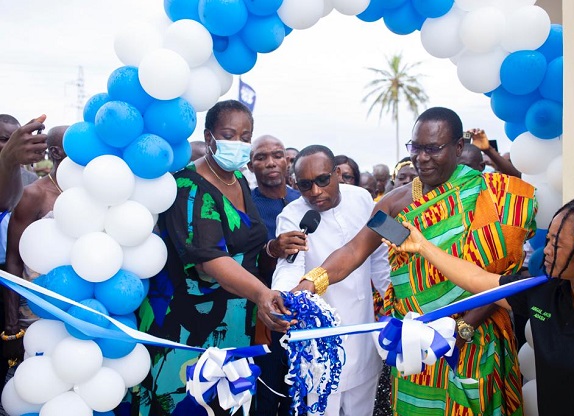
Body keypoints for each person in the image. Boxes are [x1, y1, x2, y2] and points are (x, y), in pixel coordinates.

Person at [292, 107, 537, 415]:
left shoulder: (489, 195)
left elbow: (503, 276)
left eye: (432, 149)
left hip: (472, 337)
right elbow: (355, 251)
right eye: (415, 147)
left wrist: (462, 329)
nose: (421, 158)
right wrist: (311, 282)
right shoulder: (396, 204)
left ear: (458, 147)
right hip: (413, 343)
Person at [386, 195, 574, 416]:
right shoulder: (543, 292)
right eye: (548, 240)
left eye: (557, 244)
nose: (546, 251)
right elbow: (476, 279)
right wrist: (422, 246)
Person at [132, 100, 290, 416]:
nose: (238, 144)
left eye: (246, 137)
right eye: (229, 135)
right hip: (189, 324)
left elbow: (246, 246)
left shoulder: (239, 179)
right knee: (188, 403)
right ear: (209, 137)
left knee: (228, 402)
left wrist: (272, 249)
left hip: (235, 321)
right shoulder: (188, 186)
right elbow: (209, 259)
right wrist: (261, 293)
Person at [273, 145, 390, 416]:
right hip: (320, 342)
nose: (315, 191)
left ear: (337, 173)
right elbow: (289, 266)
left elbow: (379, 255)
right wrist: (282, 296)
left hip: (362, 332)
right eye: (305, 185)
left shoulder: (362, 198)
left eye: (322, 180)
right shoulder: (292, 215)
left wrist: (393, 297)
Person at [3, 125, 67, 377]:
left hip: (80, 312)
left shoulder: (92, 194)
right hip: (36, 314)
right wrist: (11, 328)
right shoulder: (34, 195)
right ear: (56, 152)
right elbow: (13, 261)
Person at [247, 134, 302, 416]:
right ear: (250, 165)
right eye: (261, 157)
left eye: (277, 155)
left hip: (304, 311)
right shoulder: (245, 204)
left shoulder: (304, 200)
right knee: (265, 396)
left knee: (300, 395)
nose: (271, 162)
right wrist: (272, 250)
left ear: (287, 161)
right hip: (262, 316)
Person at [0, 115, 47, 212]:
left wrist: (10, 161)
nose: (12, 145)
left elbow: (8, 206)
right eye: (4, 139)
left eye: (16, 141)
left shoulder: (29, 178)